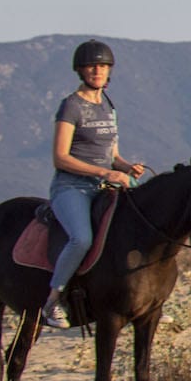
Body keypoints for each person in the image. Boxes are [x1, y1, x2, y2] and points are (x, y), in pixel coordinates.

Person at [39, 40, 146, 328]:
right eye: (91, 66)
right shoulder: (71, 106)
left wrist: (125, 166)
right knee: (81, 239)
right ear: (81, 70)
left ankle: (145, 297)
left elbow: (111, 154)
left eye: (102, 65)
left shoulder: (109, 108)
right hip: (71, 188)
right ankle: (53, 301)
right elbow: (60, 157)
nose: (97, 70)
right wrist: (104, 173)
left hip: (104, 185)